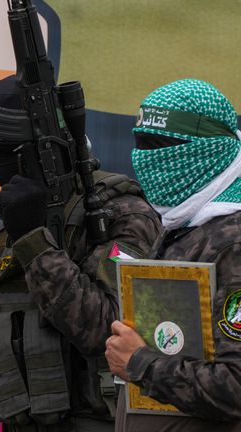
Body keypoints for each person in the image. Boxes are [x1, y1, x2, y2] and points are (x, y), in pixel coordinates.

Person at [0, 75, 162, 432]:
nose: (1, 168)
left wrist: (33, 240)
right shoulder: (20, 212)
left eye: (10, 153)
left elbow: (105, 329)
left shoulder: (120, 210)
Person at [105, 78, 241, 431]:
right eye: (142, 144)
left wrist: (139, 363)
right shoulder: (188, 224)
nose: (148, 157)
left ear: (208, 150)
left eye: (162, 145)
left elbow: (236, 386)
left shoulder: (232, 242)